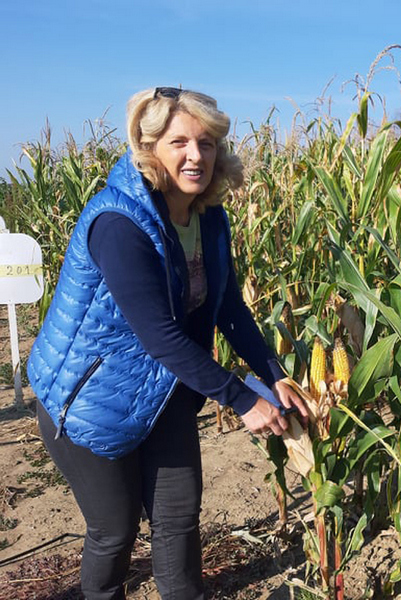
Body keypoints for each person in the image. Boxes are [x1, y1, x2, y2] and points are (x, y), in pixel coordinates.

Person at [27, 87, 308, 600]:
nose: (195, 155)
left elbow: (228, 308)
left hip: (168, 392)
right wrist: (242, 400)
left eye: (205, 143)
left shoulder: (209, 218)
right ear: (149, 146)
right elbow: (158, 336)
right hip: (92, 401)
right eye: (179, 141)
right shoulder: (119, 224)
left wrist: (274, 374)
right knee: (114, 531)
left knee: (179, 520)